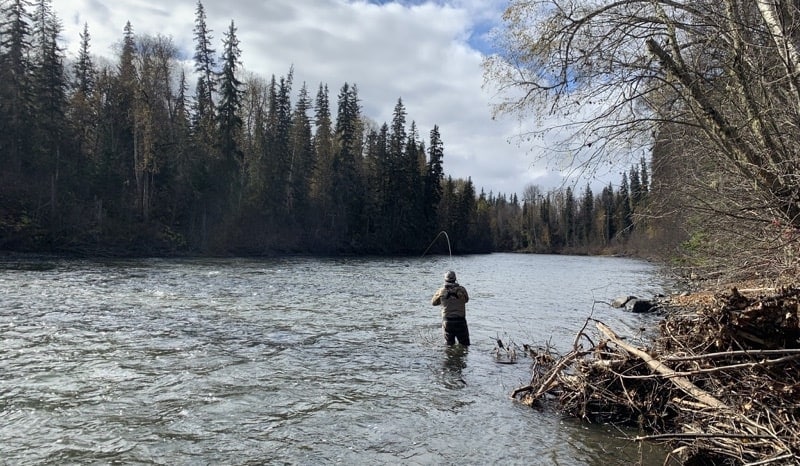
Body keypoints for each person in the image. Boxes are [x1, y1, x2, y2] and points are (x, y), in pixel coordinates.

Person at [431, 270, 470, 346]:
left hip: (447, 322)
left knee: (449, 346)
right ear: (455, 279)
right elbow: (466, 300)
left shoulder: (441, 291)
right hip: (460, 321)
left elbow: (433, 303)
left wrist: (444, 300)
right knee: (465, 345)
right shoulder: (462, 289)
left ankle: (450, 357)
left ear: (445, 279)